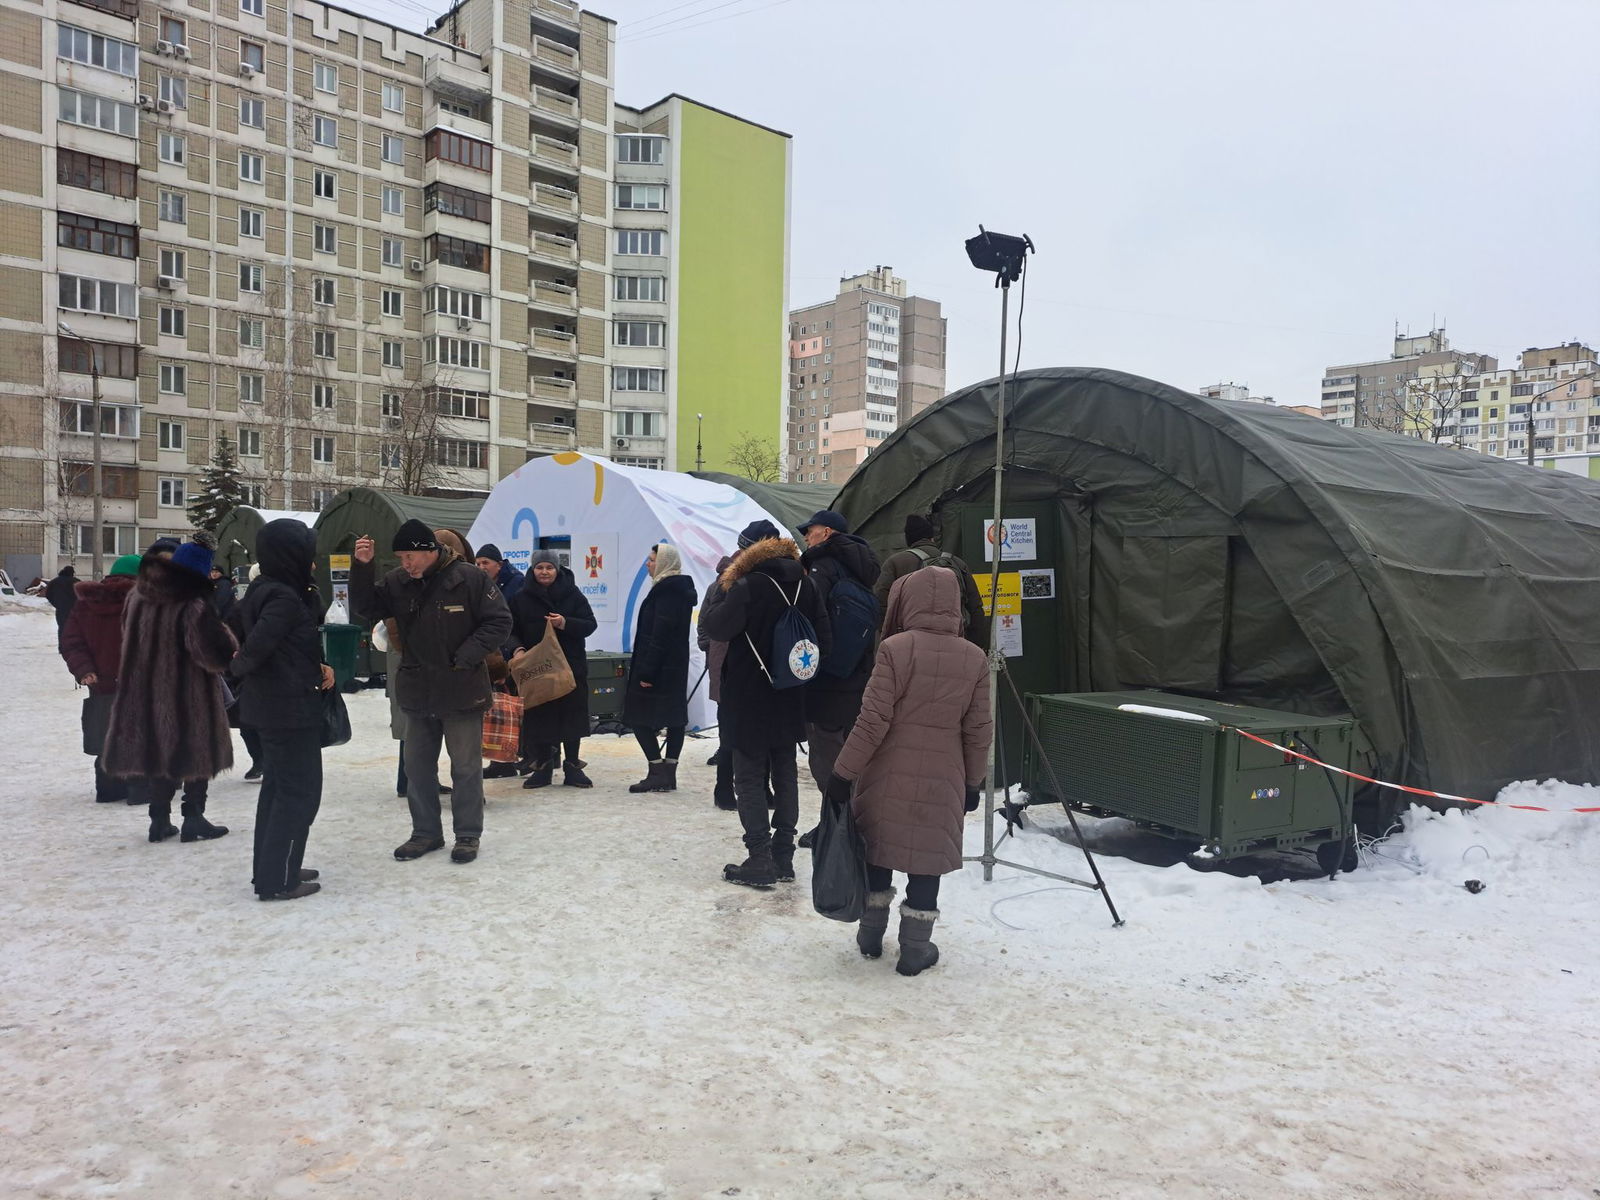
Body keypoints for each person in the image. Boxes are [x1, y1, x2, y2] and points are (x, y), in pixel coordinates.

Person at [828, 567, 993, 976]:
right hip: (946, 775)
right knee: (926, 861)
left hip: (887, 771)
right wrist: (974, 782)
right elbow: (978, 730)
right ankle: (916, 950)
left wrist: (843, 773)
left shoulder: (895, 649)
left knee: (879, 850)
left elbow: (872, 720)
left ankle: (869, 936)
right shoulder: (974, 658)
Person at [349, 520, 511, 865]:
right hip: (418, 688)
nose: (405, 564)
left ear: (430, 551)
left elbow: (499, 621)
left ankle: (468, 834)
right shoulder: (398, 582)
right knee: (417, 768)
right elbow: (366, 607)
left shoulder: (470, 578)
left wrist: (466, 656)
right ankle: (425, 832)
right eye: (400, 558)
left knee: (466, 768)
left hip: (461, 688)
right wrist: (362, 567)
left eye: (410, 557)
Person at [700, 520, 825, 887]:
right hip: (790, 692)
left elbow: (716, 626)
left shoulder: (747, 586)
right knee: (784, 771)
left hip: (749, 694)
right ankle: (784, 856)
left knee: (750, 775)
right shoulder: (807, 583)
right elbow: (823, 638)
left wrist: (727, 586)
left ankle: (759, 857)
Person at [102, 538, 236, 844]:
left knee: (159, 752)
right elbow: (213, 653)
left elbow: (129, 634)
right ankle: (193, 817)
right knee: (197, 751)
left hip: (145, 688)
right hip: (188, 692)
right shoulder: (193, 604)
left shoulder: (138, 597)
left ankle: (159, 820)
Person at [233, 519, 334, 901]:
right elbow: (256, 650)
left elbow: (283, 649)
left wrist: (315, 667)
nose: (312, 563)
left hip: (277, 708)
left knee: (278, 791)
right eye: (307, 555)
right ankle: (279, 879)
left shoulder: (269, 590)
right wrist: (240, 667)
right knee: (299, 794)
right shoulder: (282, 598)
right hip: (287, 711)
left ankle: (276, 868)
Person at [796, 509, 880, 846]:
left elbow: (807, 617)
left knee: (826, 754)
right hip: (856, 674)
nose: (805, 537)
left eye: (810, 530)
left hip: (827, 678)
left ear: (827, 532)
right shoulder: (861, 567)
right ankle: (849, 821)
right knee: (850, 751)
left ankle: (837, 828)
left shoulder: (822, 567)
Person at [509, 549, 597, 789]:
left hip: (570, 667)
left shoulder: (573, 594)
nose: (544, 572)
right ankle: (543, 767)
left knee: (572, 716)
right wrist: (517, 649)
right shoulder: (521, 596)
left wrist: (565, 623)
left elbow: (590, 624)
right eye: (540, 567)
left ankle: (572, 766)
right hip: (538, 668)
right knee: (539, 716)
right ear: (533, 569)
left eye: (549, 567)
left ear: (557, 570)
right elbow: (510, 629)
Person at [58, 554, 140, 803]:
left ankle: (109, 790)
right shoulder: (144, 602)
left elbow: (71, 642)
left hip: (102, 682)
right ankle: (139, 790)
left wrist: (85, 670)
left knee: (107, 733)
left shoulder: (85, 603)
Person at [621, 543, 696, 794]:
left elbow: (659, 636)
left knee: (638, 717)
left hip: (658, 667)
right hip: (674, 668)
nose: (647, 564)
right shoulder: (677, 590)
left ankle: (657, 771)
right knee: (675, 719)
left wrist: (647, 672)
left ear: (663, 562)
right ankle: (669, 773)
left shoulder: (666, 592)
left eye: (651, 559)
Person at [873, 513, 988, 649]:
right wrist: (977, 646)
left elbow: (881, 606)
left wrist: (892, 642)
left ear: (908, 540)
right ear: (932, 538)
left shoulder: (895, 563)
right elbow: (975, 608)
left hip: (910, 646)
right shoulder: (957, 563)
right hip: (954, 643)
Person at [696, 553, 738, 810]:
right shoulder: (720, 585)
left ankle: (760, 788)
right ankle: (723, 788)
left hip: (739, 669)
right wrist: (710, 648)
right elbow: (704, 621)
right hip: (725, 669)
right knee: (729, 732)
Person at [475, 543, 525, 609]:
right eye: (478, 564)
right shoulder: (479, 584)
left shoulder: (518, 582)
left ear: (499, 565)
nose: (481, 567)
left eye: (485, 563)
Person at [43, 565, 78, 640]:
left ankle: (62, 646)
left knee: (62, 628)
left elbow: (48, 594)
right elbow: (83, 595)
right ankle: (72, 646)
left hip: (61, 610)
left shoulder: (54, 581)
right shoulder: (76, 582)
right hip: (74, 610)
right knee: (75, 629)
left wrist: (56, 604)